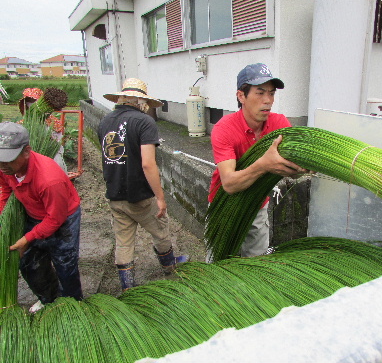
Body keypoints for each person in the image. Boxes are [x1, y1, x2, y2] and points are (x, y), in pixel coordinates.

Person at [207, 63, 310, 260]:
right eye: (260, 93)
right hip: (224, 202)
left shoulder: (280, 124)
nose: (268, 101)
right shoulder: (224, 129)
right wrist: (264, 164)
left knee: (257, 261)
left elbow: (292, 169)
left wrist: (301, 168)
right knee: (218, 263)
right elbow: (229, 183)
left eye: (271, 94)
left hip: (258, 203)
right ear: (241, 96)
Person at [98, 78, 188, 291]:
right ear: (141, 101)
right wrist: (160, 197)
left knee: (123, 241)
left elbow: (108, 158)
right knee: (160, 231)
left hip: (114, 194)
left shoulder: (105, 121)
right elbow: (148, 164)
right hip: (140, 196)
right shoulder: (144, 122)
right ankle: (169, 266)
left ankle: (127, 287)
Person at [0, 122, 83, 313]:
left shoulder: (49, 179)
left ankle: (73, 305)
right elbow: (6, 189)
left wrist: (28, 238)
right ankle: (48, 298)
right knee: (28, 262)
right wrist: (4, 218)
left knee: (65, 263)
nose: (3, 165)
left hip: (63, 218)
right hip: (33, 213)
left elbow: (55, 219)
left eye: (8, 159)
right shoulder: (6, 168)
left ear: (26, 151)